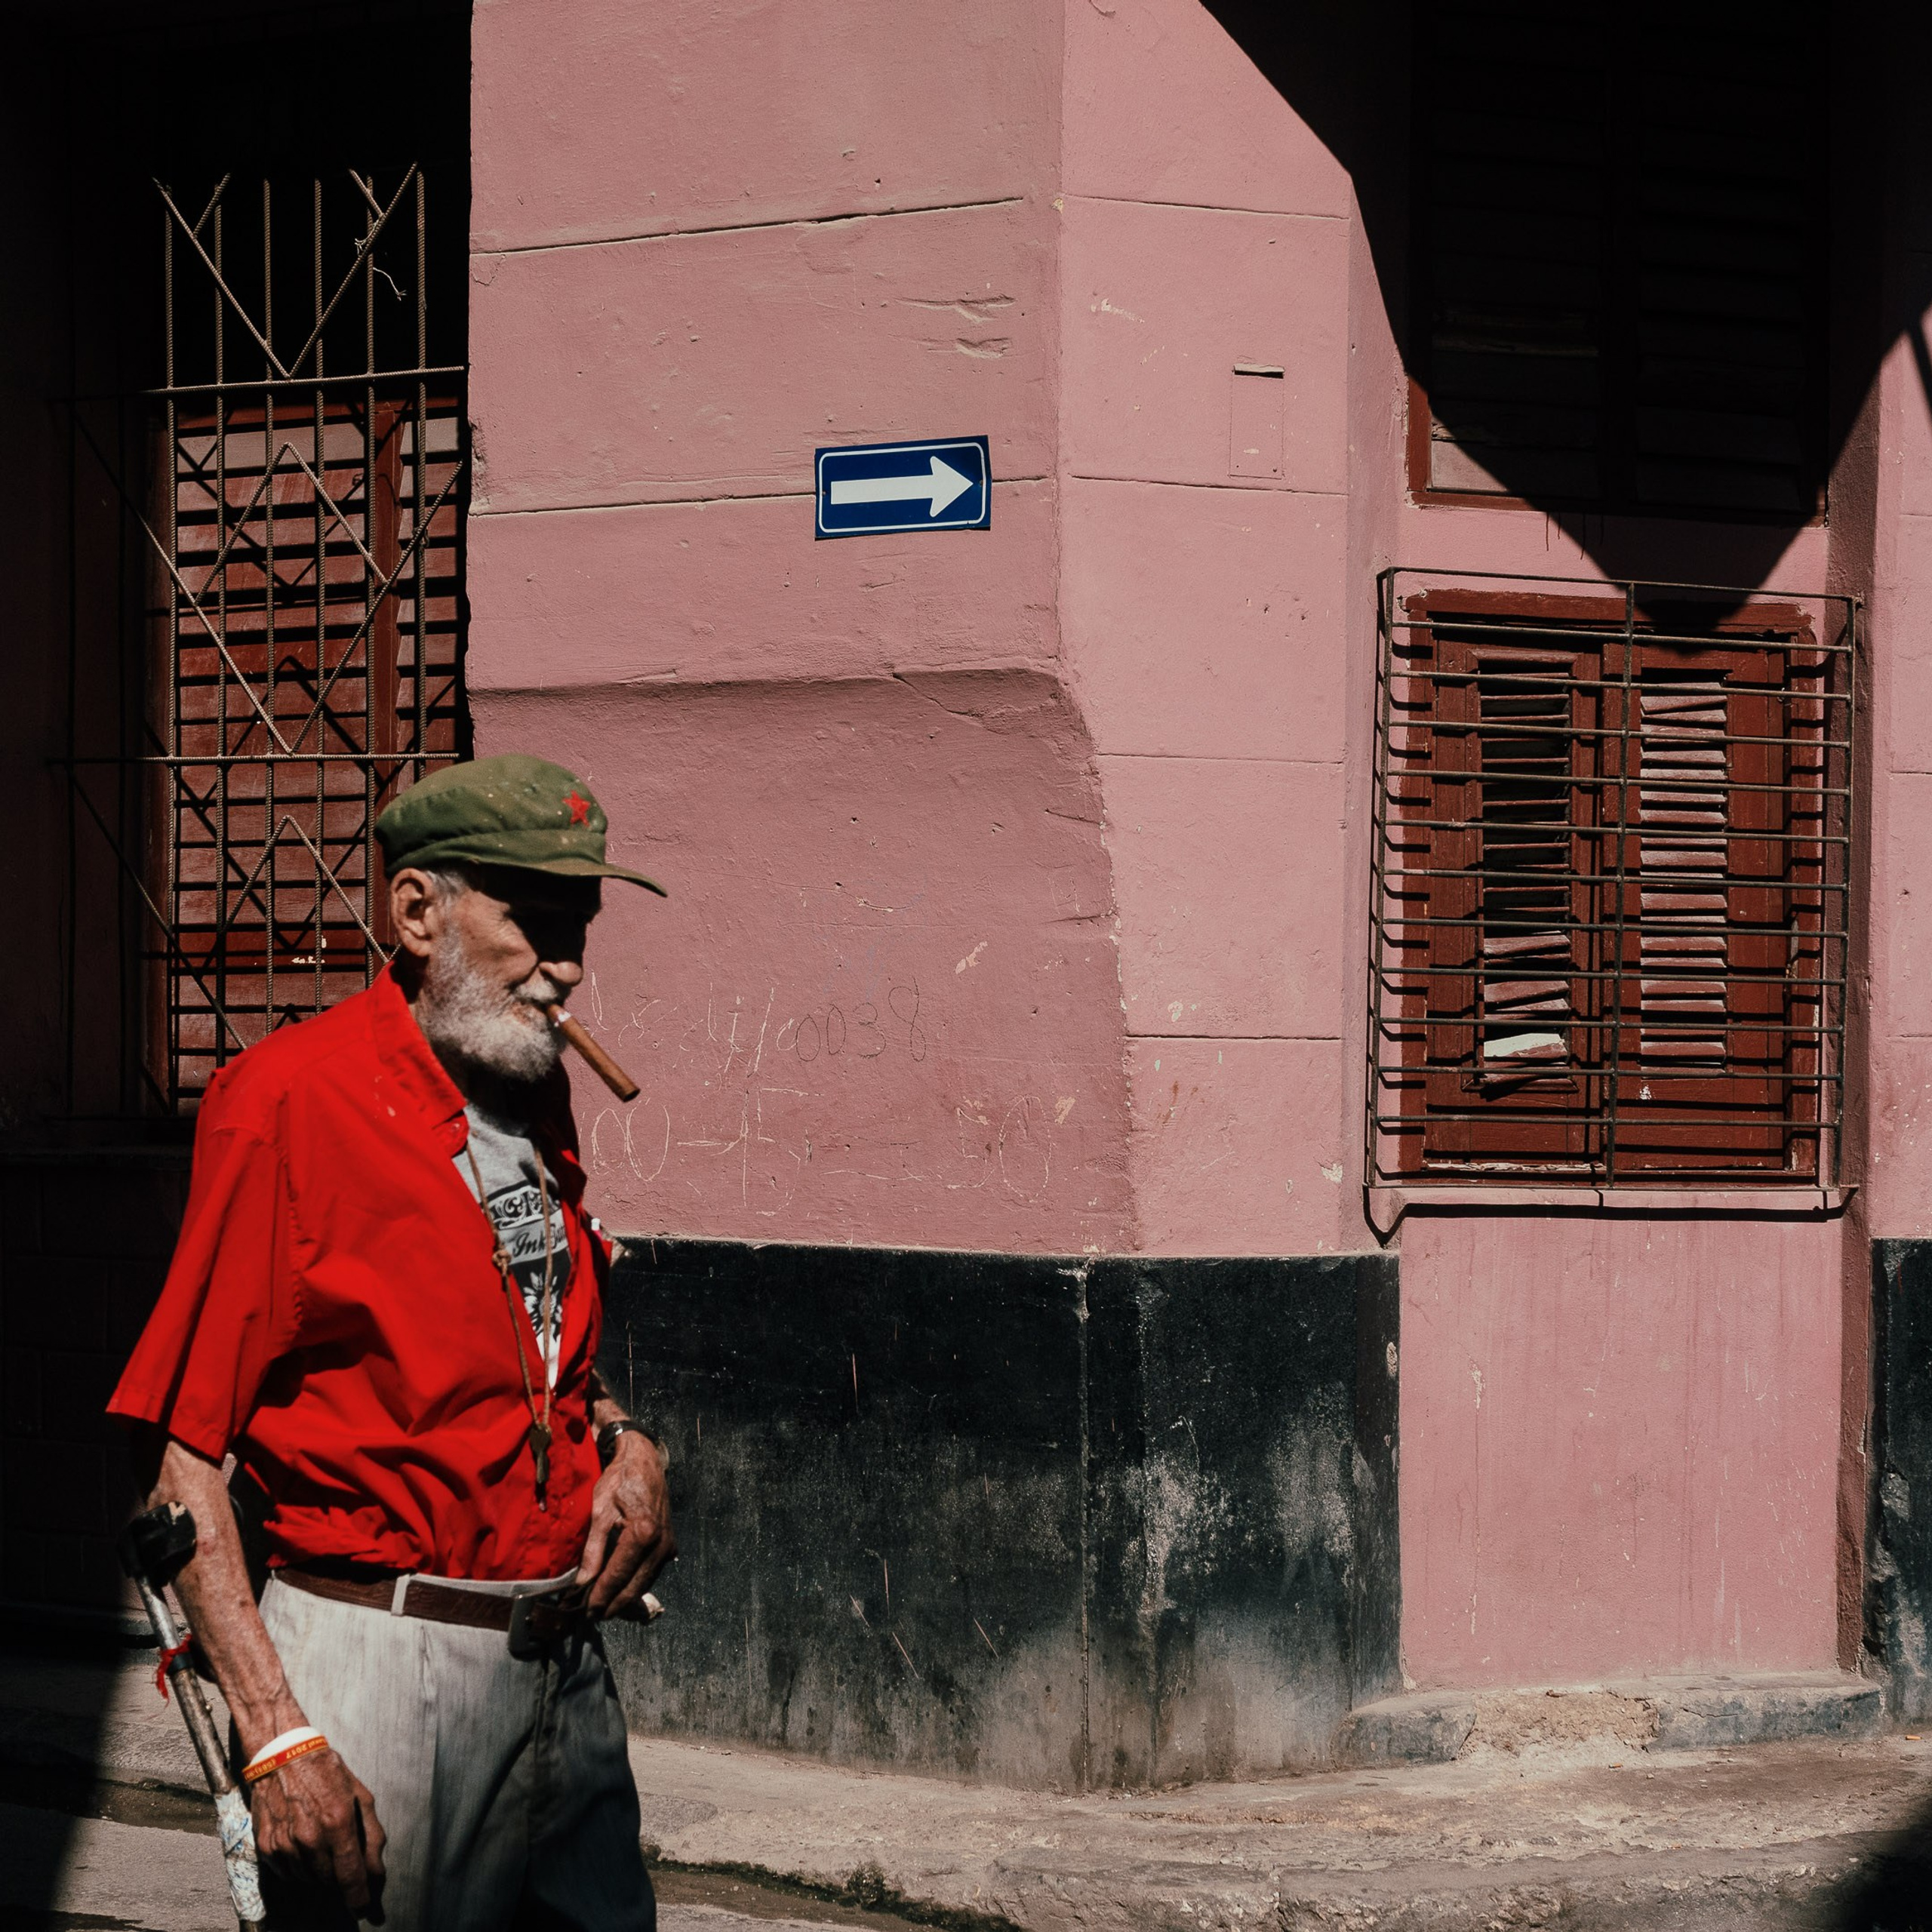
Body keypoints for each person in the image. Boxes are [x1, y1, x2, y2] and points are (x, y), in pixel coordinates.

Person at [107, 754, 677, 1931]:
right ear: (416, 912)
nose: (566, 962)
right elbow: (182, 1467)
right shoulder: (287, 1104)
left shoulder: (530, 1089)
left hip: (562, 1668)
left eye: (581, 922)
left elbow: (531, 1333)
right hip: (385, 1664)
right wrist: (280, 1742)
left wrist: (620, 1438)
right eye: (534, 918)